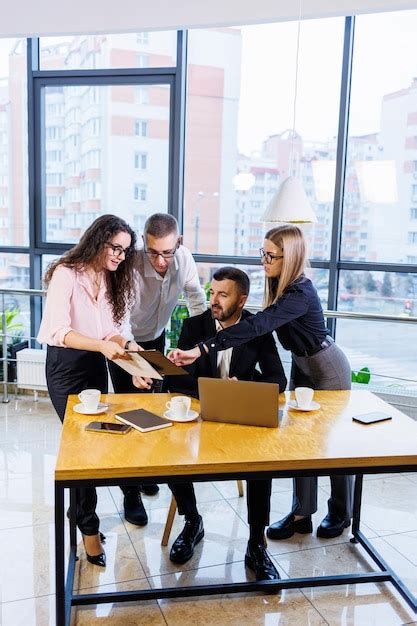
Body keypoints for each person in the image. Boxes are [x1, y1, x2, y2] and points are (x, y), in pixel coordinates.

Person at [169, 225, 353, 542]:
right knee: (301, 441)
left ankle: (340, 511)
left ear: (290, 257)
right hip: (302, 362)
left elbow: (258, 326)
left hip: (326, 364)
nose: (264, 260)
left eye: (271, 255)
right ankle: (301, 513)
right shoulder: (277, 284)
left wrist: (203, 348)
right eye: (263, 252)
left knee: (332, 442)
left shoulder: (300, 292)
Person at [163, 267, 287, 581]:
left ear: (242, 300)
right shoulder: (194, 326)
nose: (214, 300)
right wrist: (212, 390)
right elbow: (176, 381)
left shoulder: (256, 329)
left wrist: (242, 389)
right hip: (198, 414)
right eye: (212, 292)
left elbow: (278, 379)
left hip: (238, 415)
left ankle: (256, 543)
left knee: (262, 461)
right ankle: (192, 521)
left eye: (223, 294)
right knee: (170, 452)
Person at [37, 214, 138, 567]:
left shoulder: (111, 280)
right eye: (115, 248)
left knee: (92, 448)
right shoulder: (66, 273)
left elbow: (113, 331)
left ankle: (79, 516)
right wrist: (104, 346)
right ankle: (89, 529)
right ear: (97, 241)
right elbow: (56, 331)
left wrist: (134, 357)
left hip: (95, 366)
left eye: (125, 251)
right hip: (65, 368)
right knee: (82, 453)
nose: (119, 257)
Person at [107, 213, 206, 524]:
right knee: (129, 416)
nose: (160, 260)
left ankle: (146, 470)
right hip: (124, 342)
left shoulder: (184, 259)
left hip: (157, 339)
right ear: (144, 244)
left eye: (166, 252)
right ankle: (130, 492)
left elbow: (197, 301)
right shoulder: (132, 266)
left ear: (178, 243)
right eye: (153, 252)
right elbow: (119, 322)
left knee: (154, 413)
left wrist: (200, 349)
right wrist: (136, 362)